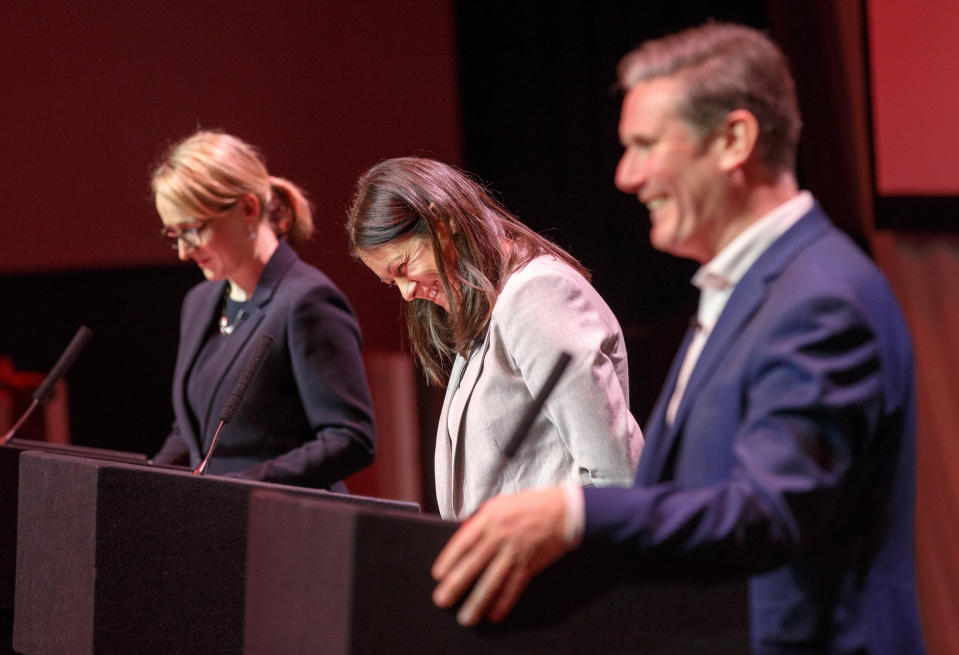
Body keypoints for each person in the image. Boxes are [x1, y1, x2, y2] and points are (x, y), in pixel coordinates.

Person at [431, 23, 925, 654]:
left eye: (645, 144)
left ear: (733, 140)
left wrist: (570, 514)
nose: (626, 176)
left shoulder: (821, 297)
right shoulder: (747, 289)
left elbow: (767, 512)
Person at [347, 157, 642, 519]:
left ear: (443, 223)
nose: (406, 293)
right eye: (393, 283)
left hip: (564, 567)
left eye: (404, 266)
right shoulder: (489, 315)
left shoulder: (537, 293)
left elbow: (616, 471)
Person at [150, 130, 376, 489]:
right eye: (174, 235)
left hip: (284, 527)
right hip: (214, 522)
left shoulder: (306, 301)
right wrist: (147, 481)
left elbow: (350, 438)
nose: (183, 252)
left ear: (247, 209)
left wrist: (243, 487)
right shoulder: (200, 302)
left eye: (192, 230)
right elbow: (194, 433)